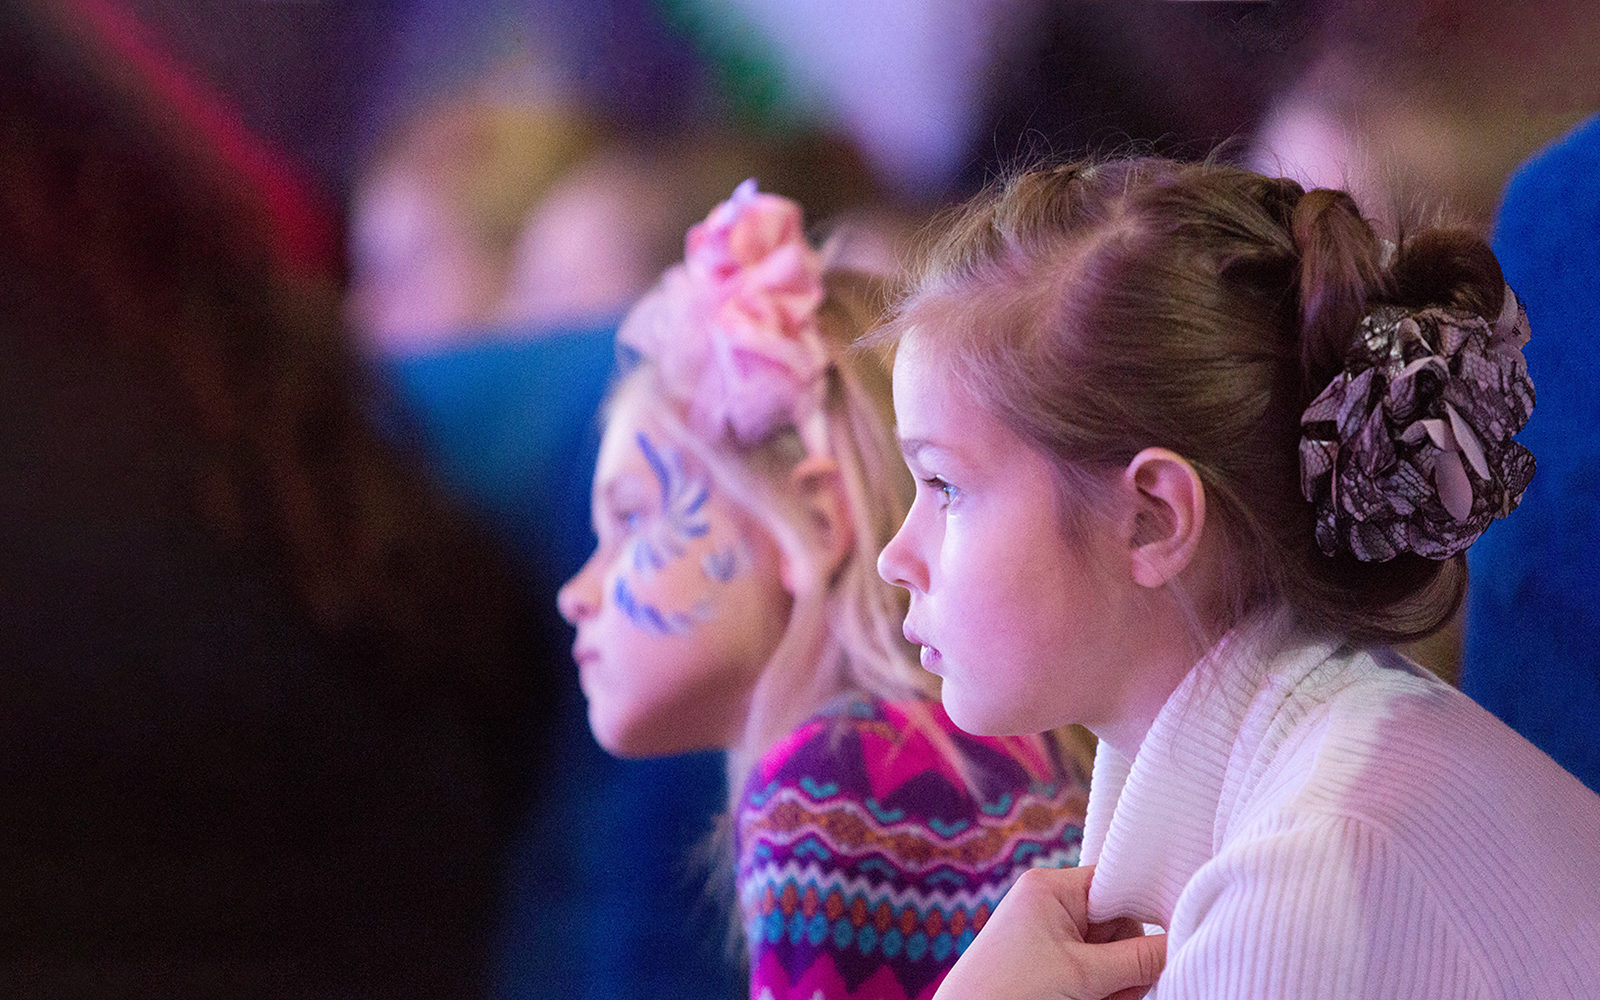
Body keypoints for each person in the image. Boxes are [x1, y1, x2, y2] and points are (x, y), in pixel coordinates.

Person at [872, 158, 1600, 999]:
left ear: (1152, 519)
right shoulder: (1301, 765)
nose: (897, 557)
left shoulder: (1306, 872)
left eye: (945, 487)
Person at [556, 180, 1091, 1000]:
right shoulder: (996, 746)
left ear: (810, 521)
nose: (577, 592)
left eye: (631, 519)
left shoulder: (830, 787)